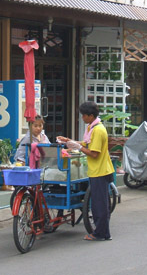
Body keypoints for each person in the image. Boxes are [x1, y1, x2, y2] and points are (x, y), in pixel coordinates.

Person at [57, 101, 114, 241]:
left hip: (100, 171)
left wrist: (78, 147)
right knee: (100, 204)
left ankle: (101, 233)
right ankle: (103, 232)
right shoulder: (92, 128)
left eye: (83, 115)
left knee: (99, 205)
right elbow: (86, 143)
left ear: (90, 115)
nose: (82, 118)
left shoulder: (98, 130)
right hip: (97, 170)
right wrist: (69, 141)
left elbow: (94, 153)